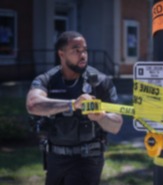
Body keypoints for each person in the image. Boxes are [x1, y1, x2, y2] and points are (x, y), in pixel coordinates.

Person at [26, 31, 123, 185]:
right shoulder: (47, 80)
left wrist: (102, 117)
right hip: (55, 160)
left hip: (87, 160)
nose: (83, 55)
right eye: (76, 50)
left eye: (84, 50)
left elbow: (116, 124)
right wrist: (73, 104)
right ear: (61, 54)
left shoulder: (101, 82)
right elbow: (33, 105)